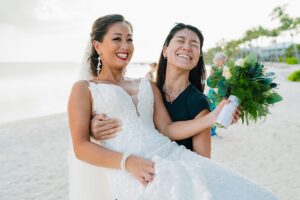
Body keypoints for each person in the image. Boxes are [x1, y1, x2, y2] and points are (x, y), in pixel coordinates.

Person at [68, 14, 278, 200]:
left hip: (173, 155)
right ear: (97, 46)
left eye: (129, 39)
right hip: (133, 170)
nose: (125, 46)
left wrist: (213, 116)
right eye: (117, 39)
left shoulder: (147, 85)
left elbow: (167, 129)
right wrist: (127, 161)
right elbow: (81, 147)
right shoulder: (84, 89)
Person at [207, 52, 228, 136]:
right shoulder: (213, 68)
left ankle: (213, 130)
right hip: (213, 93)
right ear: (218, 60)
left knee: (218, 112)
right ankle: (210, 131)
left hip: (220, 93)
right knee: (212, 111)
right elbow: (211, 81)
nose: (223, 62)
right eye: (222, 60)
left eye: (224, 61)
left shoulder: (224, 68)